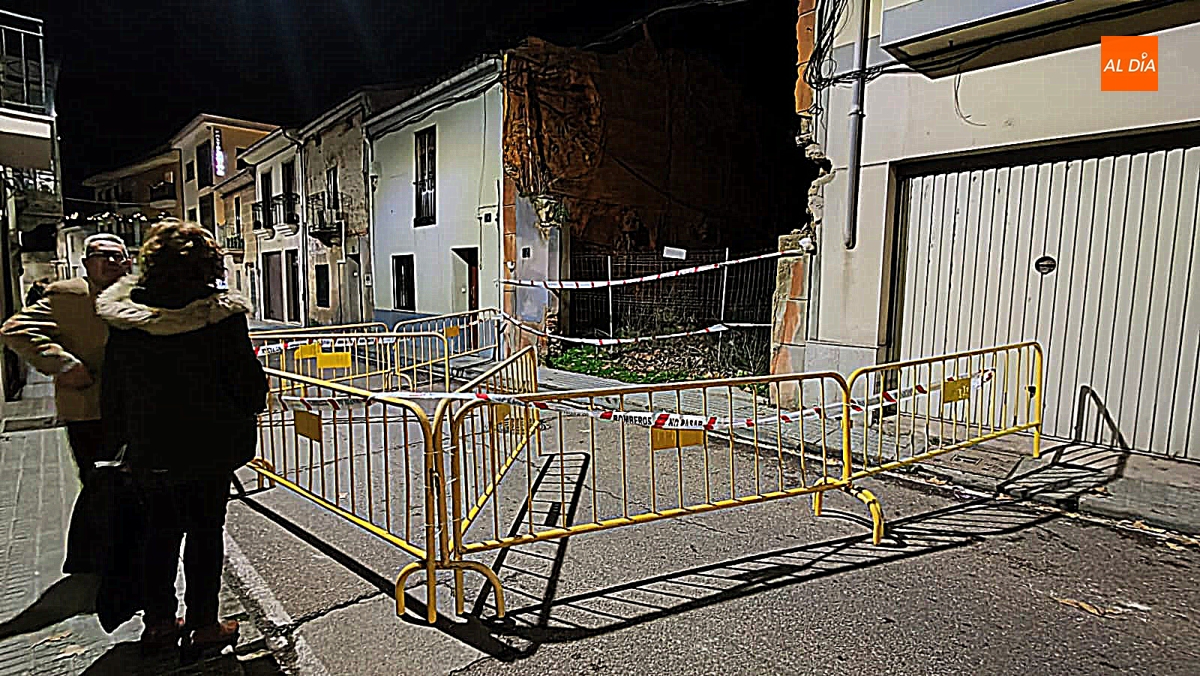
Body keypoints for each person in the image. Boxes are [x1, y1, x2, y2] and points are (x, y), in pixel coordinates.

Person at [96, 219, 267, 653]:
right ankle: (204, 625)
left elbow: (112, 393)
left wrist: (120, 443)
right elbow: (249, 387)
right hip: (210, 449)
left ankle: (158, 624)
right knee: (206, 534)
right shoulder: (219, 318)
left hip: (151, 450)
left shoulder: (127, 321)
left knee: (159, 534)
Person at [1, 234, 132, 571]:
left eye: (116, 256)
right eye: (100, 256)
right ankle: (93, 559)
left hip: (133, 410)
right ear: (86, 264)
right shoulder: (66, 296)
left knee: (131, 487)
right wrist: (63, 364)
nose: (109, 262)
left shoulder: (138, 294)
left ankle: (123, 555)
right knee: (97, 484)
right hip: (88, 409)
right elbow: (16, 329)